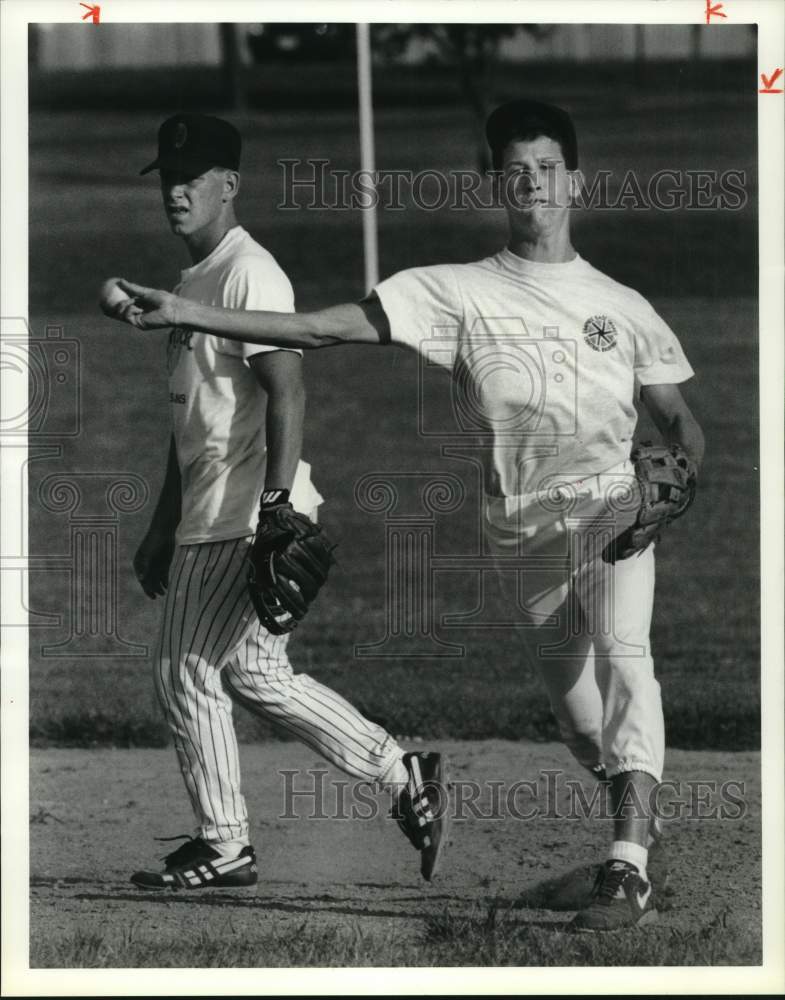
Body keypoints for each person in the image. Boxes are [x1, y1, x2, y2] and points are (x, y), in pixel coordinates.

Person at [114, 100, 705, 930]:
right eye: (514, 169)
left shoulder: (624, 304)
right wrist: (186, 313)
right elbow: (314, 332)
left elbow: (680, 426)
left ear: (575, 180)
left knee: (625, 652)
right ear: (494, 183)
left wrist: (670, 486)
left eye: (545, 167)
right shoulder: (457, 291)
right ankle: (624, 812)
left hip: (610, 512)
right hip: (522, 537)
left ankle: (626, 863)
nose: (530, 182)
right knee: (581, 723)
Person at [116, 113, 449, 891]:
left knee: (183, 669)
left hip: (244, 513)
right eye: (168, 177)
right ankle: (404, 775)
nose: (176, 190)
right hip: (208, 510)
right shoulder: (193, 284)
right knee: (258, 677)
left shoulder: (247, 274)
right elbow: (189, 423)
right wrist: (161, 524)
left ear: (229, 186)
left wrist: (274, 506)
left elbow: (287, 390)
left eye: (192, 177)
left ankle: (225, 842)